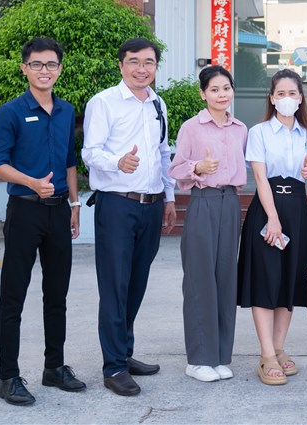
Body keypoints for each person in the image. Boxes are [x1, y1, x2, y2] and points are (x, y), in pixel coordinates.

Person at [0, 37, 86, 406]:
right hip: (25, 210)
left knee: (57, 294)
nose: (44, 71)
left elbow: (69, 162)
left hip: (59, 211)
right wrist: (32, 183)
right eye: (36, 64)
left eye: (51, 64)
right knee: (13, 296)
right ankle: (8, 377)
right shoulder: (11, 112)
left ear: (59, 69)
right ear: (24, 68)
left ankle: (54, 367)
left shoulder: (66, 110)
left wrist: (74, 204)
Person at [82, 38, 177, 397]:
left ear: (156, 67)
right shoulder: (104, 102)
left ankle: (124, 351)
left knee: (136, 283)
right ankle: (114, 367)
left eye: (149, 62)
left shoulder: (157, 103)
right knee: (115, 285)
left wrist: (169, 198)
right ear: (121, 65)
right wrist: (117, 162)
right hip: (117, 205)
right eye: (134, 61)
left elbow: (163, 153)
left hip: (151, 205)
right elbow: (90, 152)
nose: (142, 68)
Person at [236, 69, 307, 385]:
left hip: (297, 209)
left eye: (292, 94)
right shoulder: (258, 132)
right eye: (280, 93)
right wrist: (271, 218)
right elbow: (259, 177)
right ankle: (266, 355)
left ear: (300, 98)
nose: (286, 99)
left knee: (290, 280)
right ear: (272, 98)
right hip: (267, 207)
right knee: (265, 279)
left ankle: (280, 348)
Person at [168, 65, 248, 383]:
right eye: (214, 89)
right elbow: (175, 169)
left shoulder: (240, 129)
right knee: (200, 279)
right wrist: (198, 166)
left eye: (226, 88)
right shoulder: (192, 127)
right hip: (203, 202)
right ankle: (199, 359)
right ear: (203, 94)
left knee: (226, 279)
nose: (221, 94)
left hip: (231, 203)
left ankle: (220, 357)